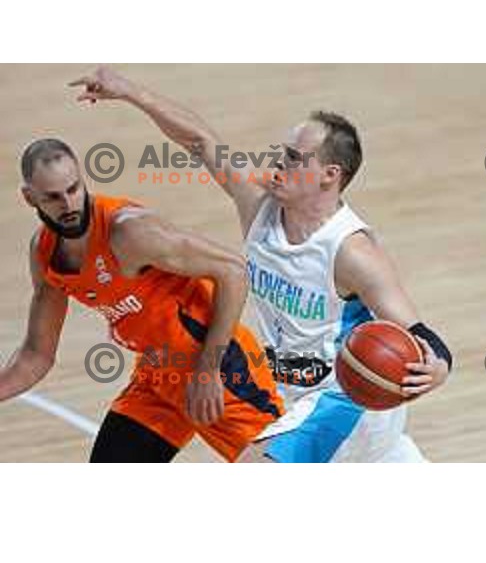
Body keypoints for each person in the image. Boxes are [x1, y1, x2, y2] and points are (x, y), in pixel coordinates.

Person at [70, 66, 453, 462]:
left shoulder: (351, 252)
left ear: (329, 175)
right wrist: (129, 90)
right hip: (293, 395)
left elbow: (417, 330)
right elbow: (200, 141)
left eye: (292, 157)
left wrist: (438, 364)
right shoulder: (258, 208)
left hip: (347, 398)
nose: (277, 163)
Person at [0, 137, 283, 462]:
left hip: (221, 371)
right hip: (159, 375)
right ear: (29, 197)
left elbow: (233, 271)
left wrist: (207, 370)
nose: (68, 205)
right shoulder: (45, 253)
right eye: (53, 197)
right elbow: (37, 355)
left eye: (74, 189)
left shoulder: (129, 233)